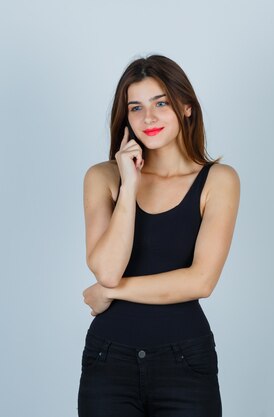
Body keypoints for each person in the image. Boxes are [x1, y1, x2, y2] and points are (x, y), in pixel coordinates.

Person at [77, 54, 240, 417]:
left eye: (161, 103)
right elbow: (106, 269)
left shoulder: (219, 180)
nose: (148, 117)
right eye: (136, 107)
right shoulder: (103, 178)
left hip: (185, 361)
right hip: (108, 361)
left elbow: (201, 281)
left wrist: (111, 293)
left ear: (185, 107)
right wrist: (130, 185)